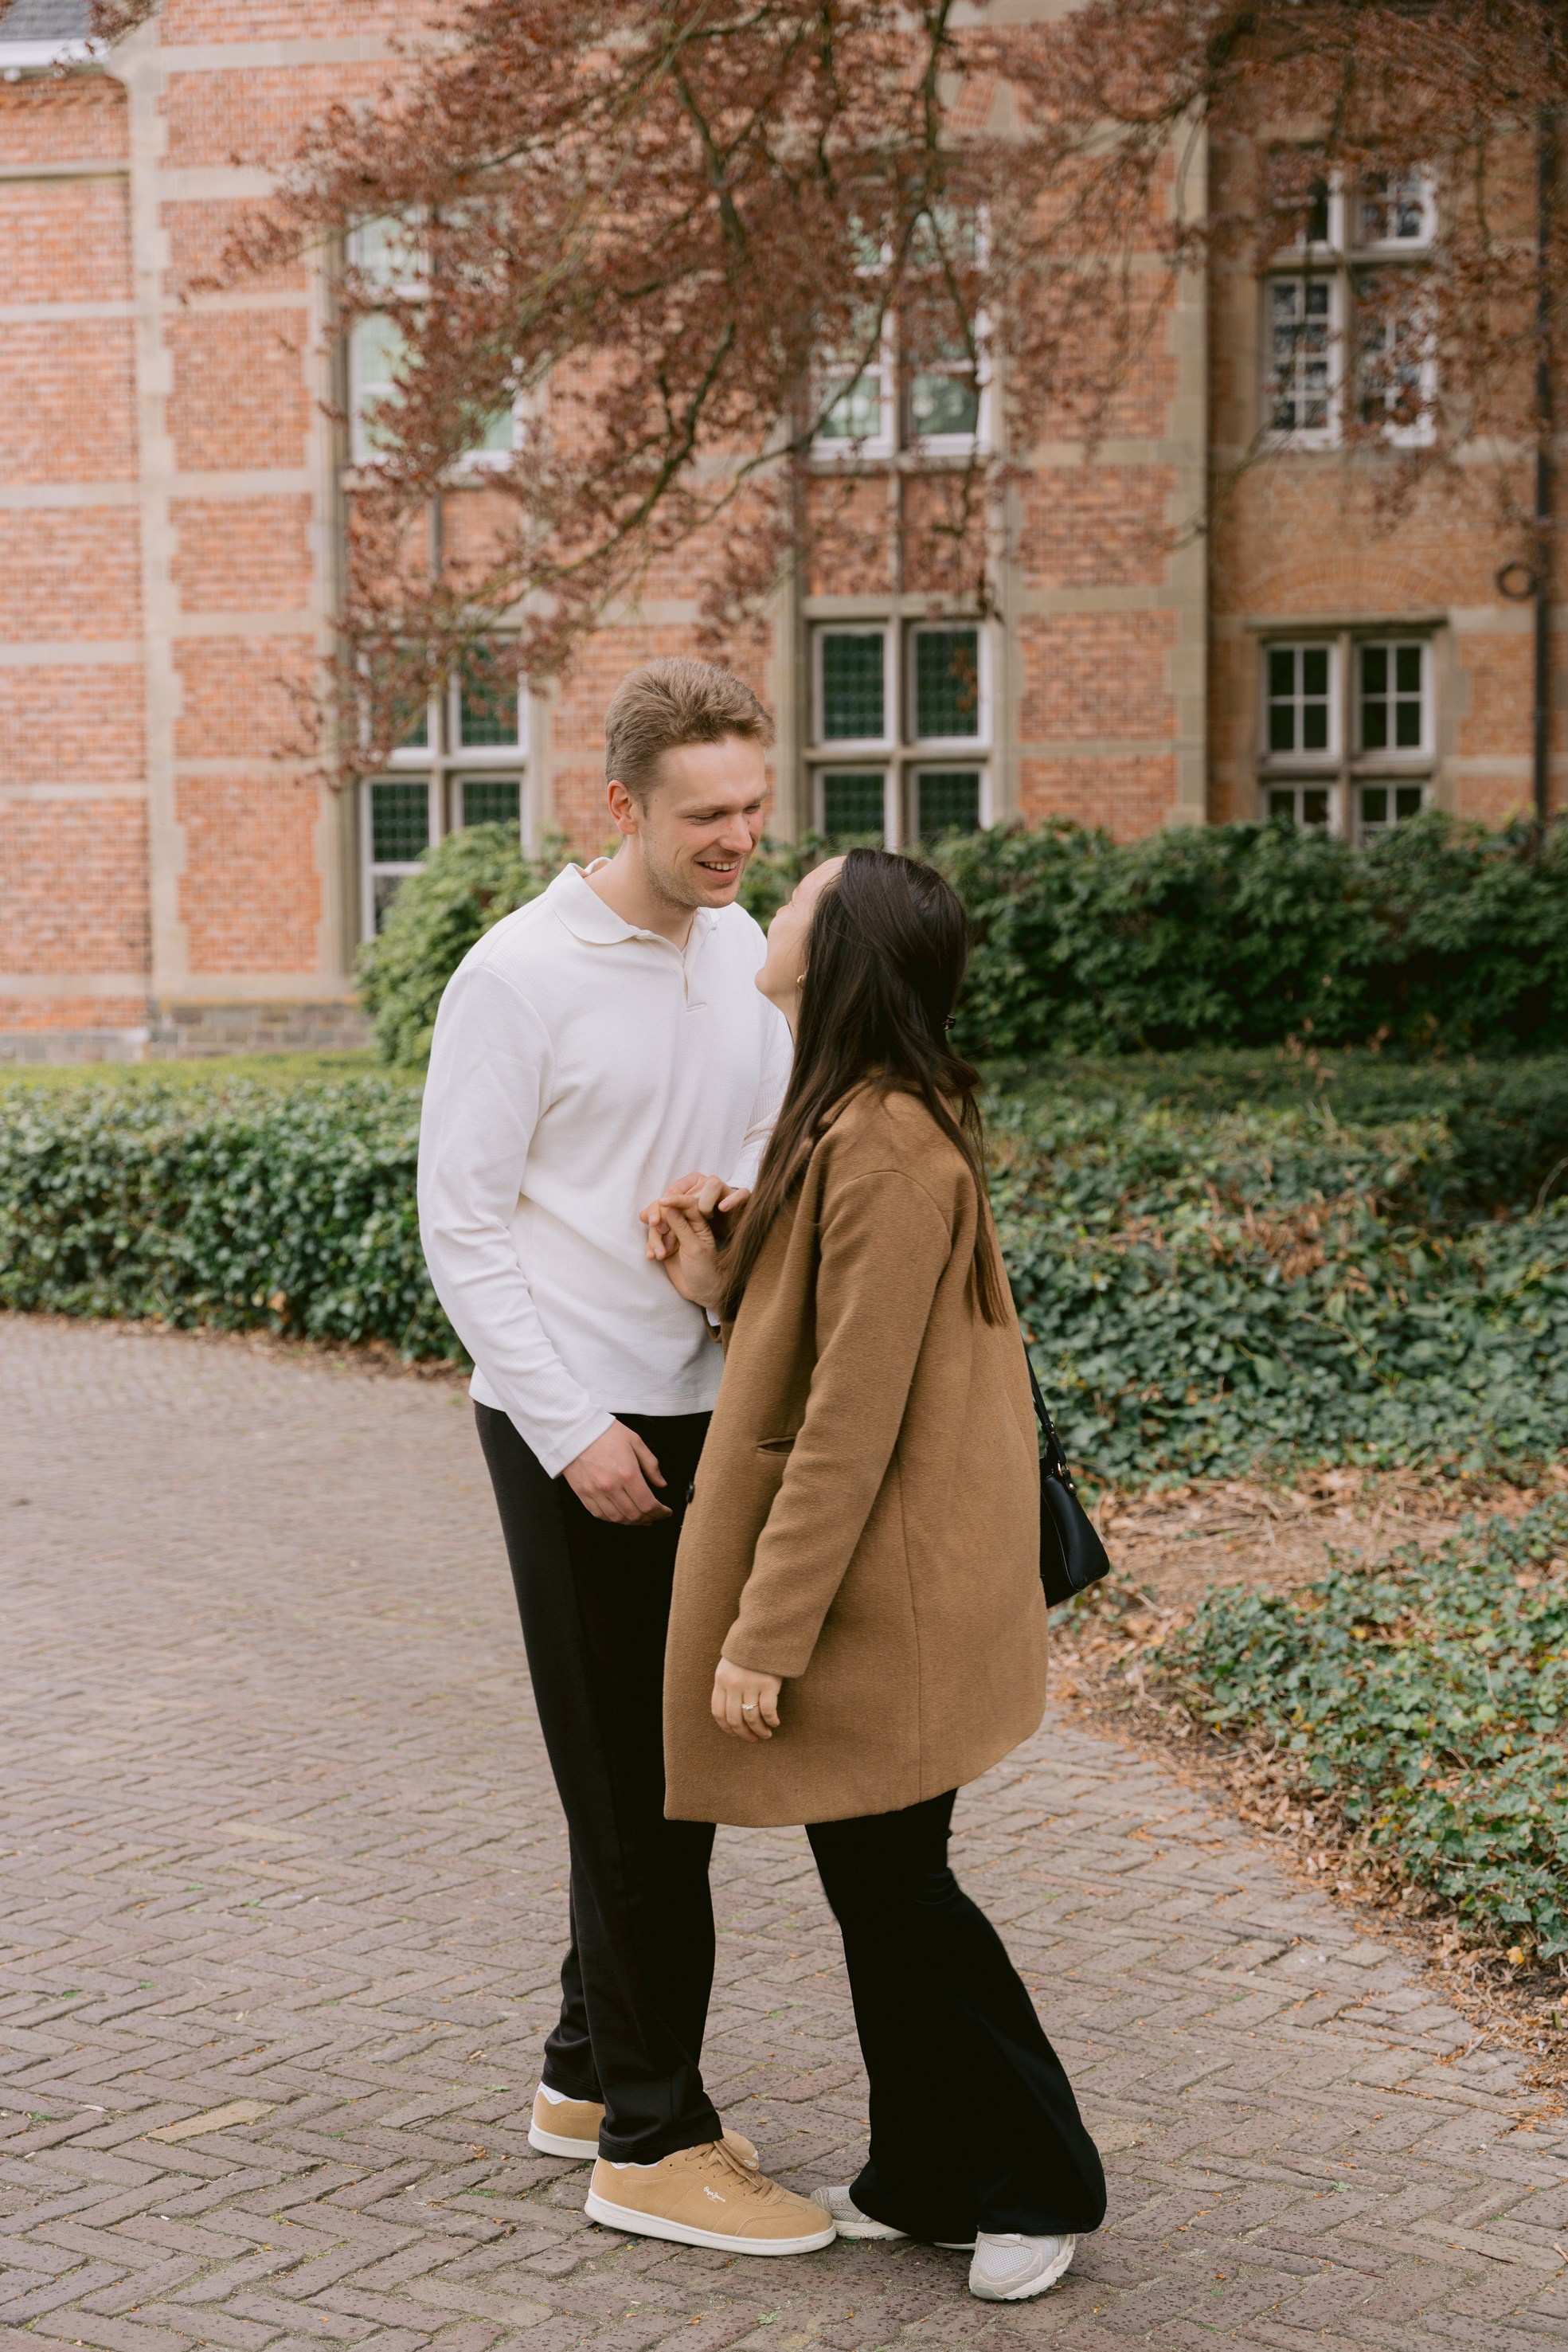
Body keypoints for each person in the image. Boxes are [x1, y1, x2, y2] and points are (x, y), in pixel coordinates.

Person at [647, 847, 1108, 2303]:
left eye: (796, 894)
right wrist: (721, 1279)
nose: (769, 905)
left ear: (835, 946)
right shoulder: (839, 1118)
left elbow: (844, 1424)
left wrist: (759, 1637)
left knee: (899, 1888)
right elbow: (816, 1337)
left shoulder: (888, 1145)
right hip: (879, 1583)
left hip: (886, 1596)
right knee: (878, 1881)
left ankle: (1039, 2178)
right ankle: (920, 2172)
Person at [417, 658, 835, 2257]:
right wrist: (568, 1425)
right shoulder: (515, 977)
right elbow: (462, 1226)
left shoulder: (746, 954)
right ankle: (655, 2144)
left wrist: (731, 1235)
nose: (738, 839)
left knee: (666, 1776)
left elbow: (762, 1158)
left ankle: (589, 2070)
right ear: (620, 806)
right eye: (704, 815)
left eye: (751, 806)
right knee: (632, 1786)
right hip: (569, 1421)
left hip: (703, 1403)